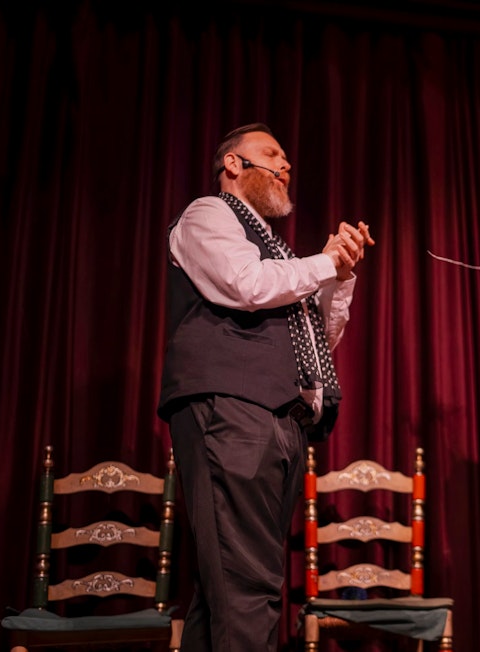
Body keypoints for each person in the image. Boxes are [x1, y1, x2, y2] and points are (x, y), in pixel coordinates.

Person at [157, 122, 373, 651]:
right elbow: (245, 286)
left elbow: (315, 338)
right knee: (247, 588)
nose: (286, 164)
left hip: (281, 419)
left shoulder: (277, 251)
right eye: (271, 154)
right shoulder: (209, 213)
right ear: (234, 164)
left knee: (225, 591)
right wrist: (321, 262)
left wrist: (338, 274)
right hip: (231, 409)